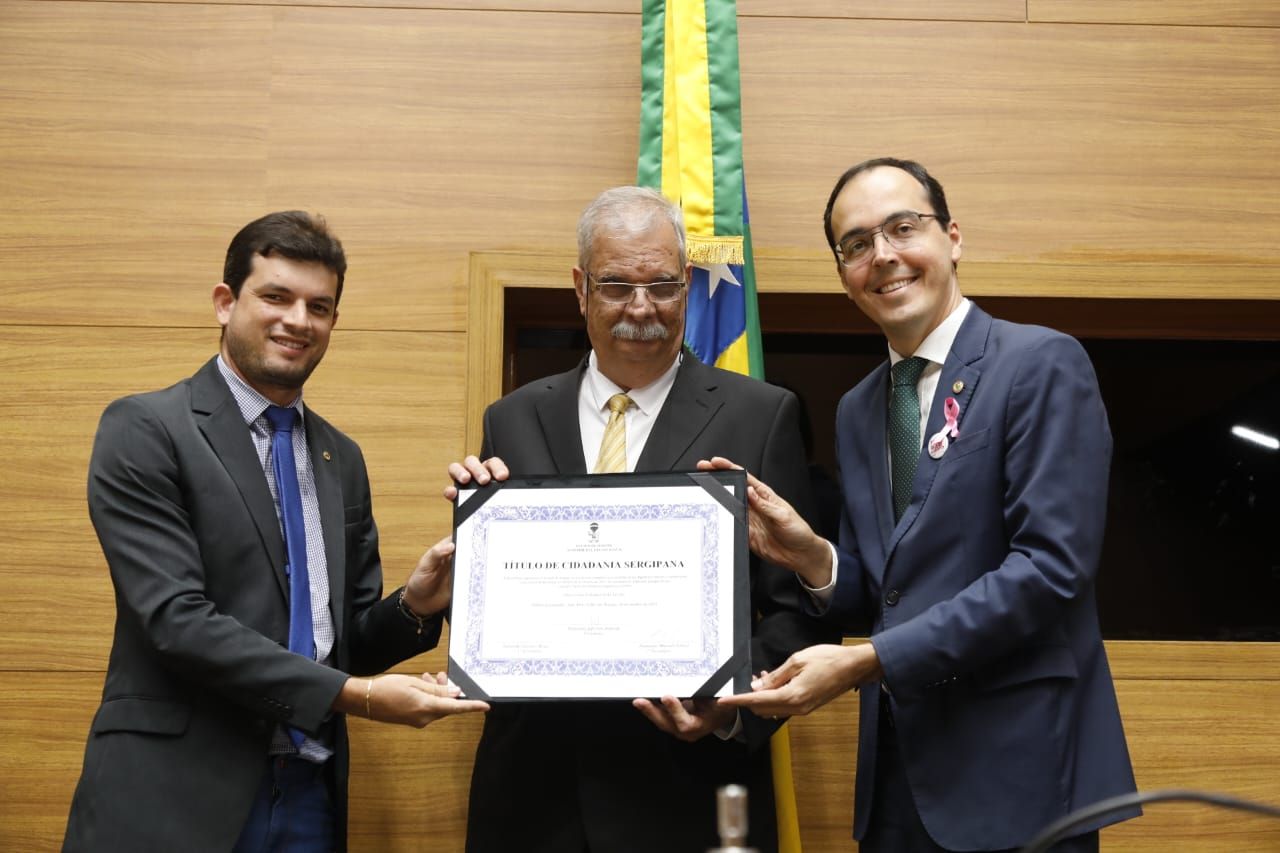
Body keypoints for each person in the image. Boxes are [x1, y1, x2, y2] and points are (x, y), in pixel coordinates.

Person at [707, 158, 1139, 852]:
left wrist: (869, 659)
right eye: (855, 245)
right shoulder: (856, 410)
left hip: (1021, 778)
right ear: (845, 277)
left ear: (953, 237)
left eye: (902, 227)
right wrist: (813, 556)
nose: (882, 256)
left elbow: (1050, 569)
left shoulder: (1039, 363)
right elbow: (890, 589)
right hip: (897, 787)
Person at [63, 211, 488, 853]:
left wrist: (415, 604)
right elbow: (177, 621)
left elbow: (338, 644)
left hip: (309, 795)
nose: (298, 320)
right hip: (173, 796)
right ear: (224, 302)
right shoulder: (147, 430)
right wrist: (360, 697)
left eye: (319, 306)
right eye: (276, 297)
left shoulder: (340, 457)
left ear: (333, 324)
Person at [447, 186, 836, 852]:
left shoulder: (760, 415)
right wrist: (468, 568)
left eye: (661, 285)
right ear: (579, 287)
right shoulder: (511, 416)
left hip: (687, 793)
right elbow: (489, 611)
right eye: (617, 285)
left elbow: (792, 609)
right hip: (533, 799)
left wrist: (725, 709)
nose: (641, 308)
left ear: (687, 284)